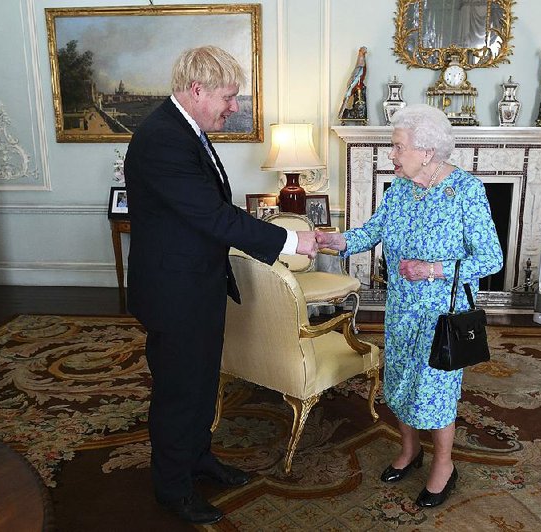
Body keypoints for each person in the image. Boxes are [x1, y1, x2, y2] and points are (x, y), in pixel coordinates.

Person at [123, 45, 317, 526]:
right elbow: (212, 215)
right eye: (229, 97)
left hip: (196, 284)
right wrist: (292, 238)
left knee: (202, 380)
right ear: (197, 90)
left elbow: (206, 213)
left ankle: (198, 460)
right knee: (179, 391)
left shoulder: (187, 130)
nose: (234, 106)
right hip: (174, 292)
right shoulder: (163, 139)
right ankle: (173, 488)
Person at [316, 104, 503, 509]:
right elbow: (374, 230)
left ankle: (444, 465)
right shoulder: (400, 187)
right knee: (400, 381)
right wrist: (338, 241)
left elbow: (491, 259)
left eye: (397, 147)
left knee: (435, 390)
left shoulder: (466, 191)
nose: (392, 155)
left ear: (427, 152)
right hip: (400, 307)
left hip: (441, 314)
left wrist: (433, 269)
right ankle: (409, 450)